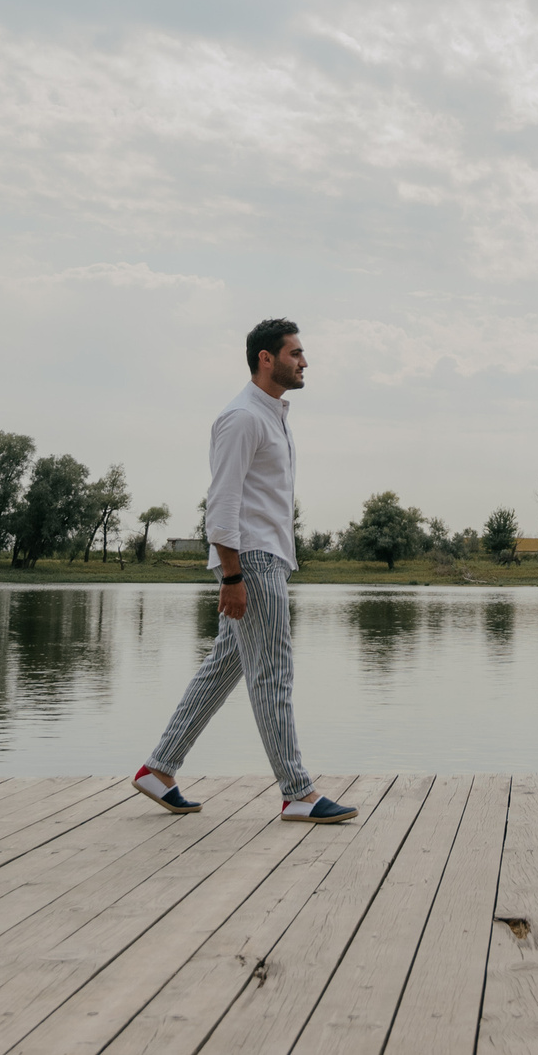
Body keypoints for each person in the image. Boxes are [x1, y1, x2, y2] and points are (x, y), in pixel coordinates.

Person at [132, 319, 355, 824]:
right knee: (273, 672)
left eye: (303, 354)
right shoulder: (241, 418)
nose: (304, 362)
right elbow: (223, 503)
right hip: (251, 560)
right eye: (296, 353)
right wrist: (232, 576)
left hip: (265, 556)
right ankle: (297, 791)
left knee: (226, 664)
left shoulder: (272, 415)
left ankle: (159, 767)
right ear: (266, 359)